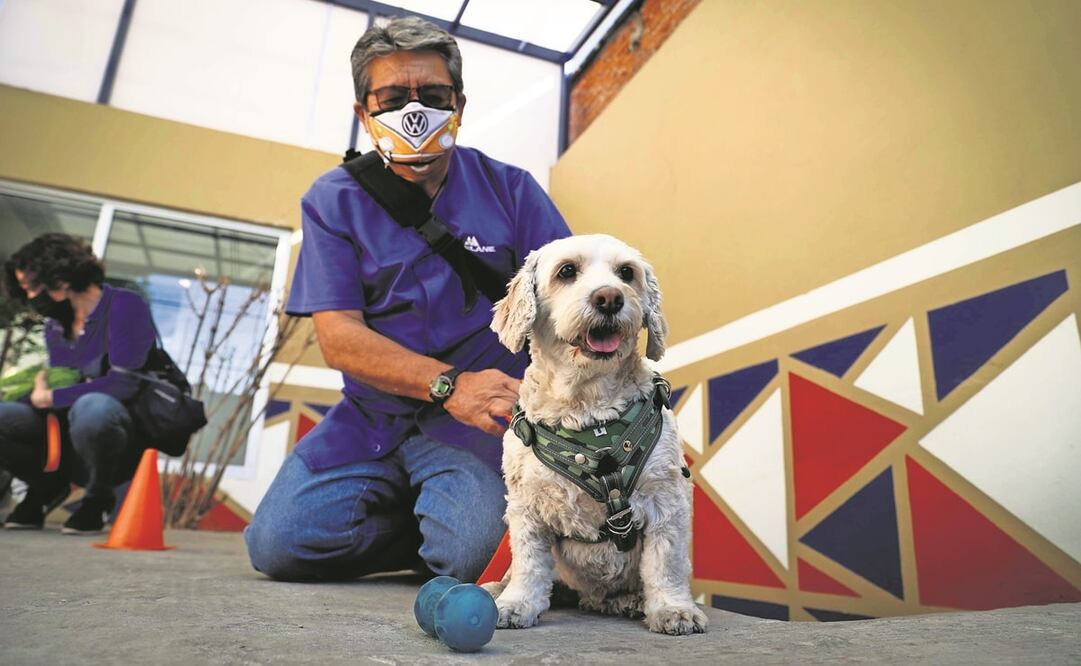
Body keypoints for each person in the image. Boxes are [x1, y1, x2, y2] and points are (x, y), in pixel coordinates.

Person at [244, 17, 571, 582]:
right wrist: (448, 384)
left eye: (434, 96)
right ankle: (426, 527)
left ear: (460, 105)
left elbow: (566, 304)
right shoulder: (333, 200)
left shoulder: (512, 190)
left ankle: (450, 526)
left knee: (474, 557)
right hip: (372, 416)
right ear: (363, 112)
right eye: (393, 98)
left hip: (479, 423)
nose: (415, 112)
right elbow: (338, 336)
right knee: (276, 547)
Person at [0, 233, 156, 534]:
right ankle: (46, 487)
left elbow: (124, 384)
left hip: (118, 425)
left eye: (33, 287)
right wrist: (36, 396)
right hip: (67, 425)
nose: (31, 297)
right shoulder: (56, 326)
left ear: (61, 280)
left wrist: (52, 397)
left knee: (92, 407)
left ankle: (98, 498)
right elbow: (60, 388)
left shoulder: (125, 305)